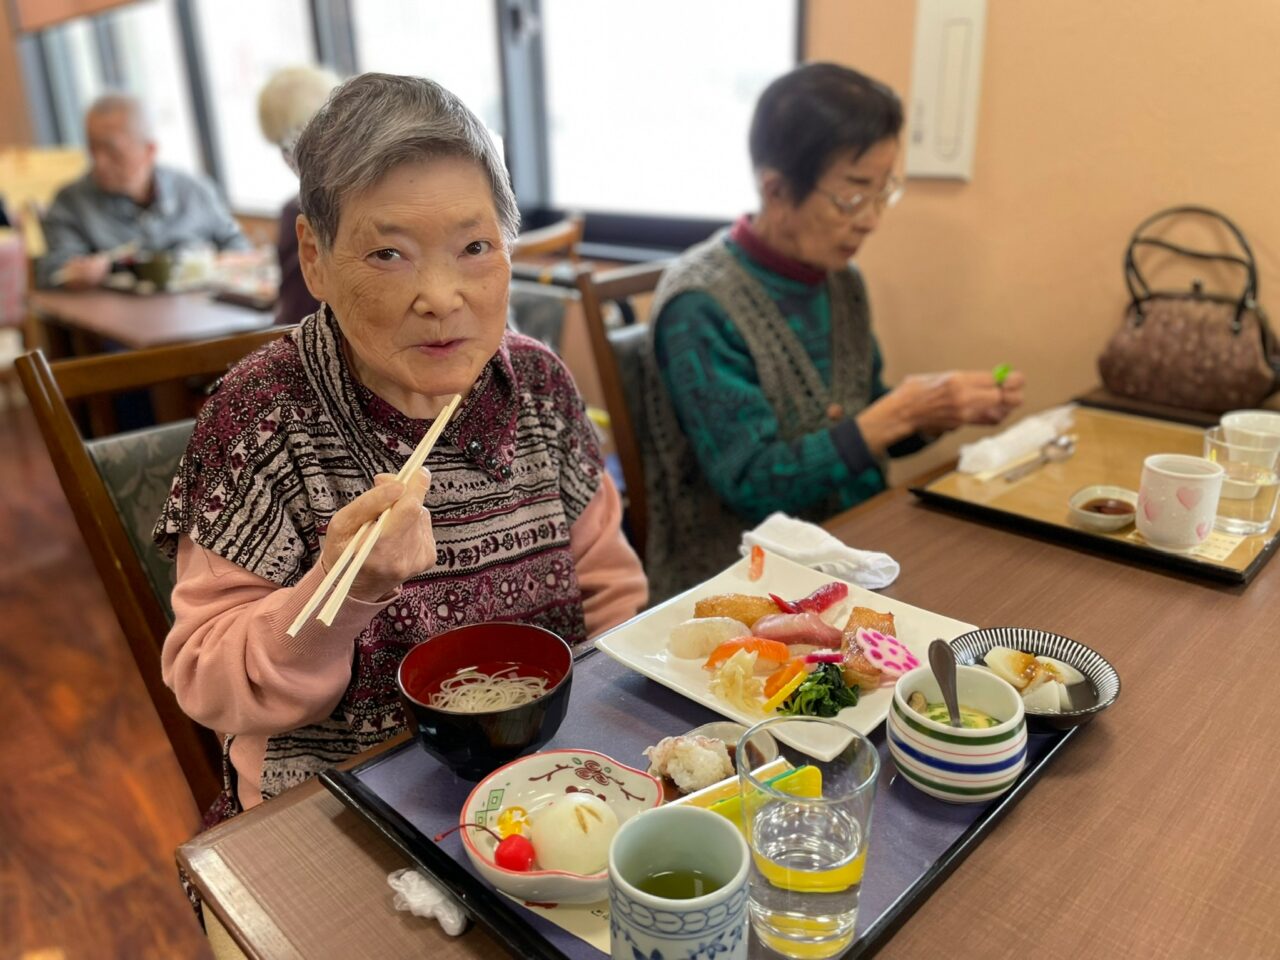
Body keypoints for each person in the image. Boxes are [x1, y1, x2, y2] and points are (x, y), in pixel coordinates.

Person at [154, 73, 646, 819]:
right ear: (314, 257)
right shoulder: (261, 416)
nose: (442, 297)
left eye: (475, 246)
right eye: (389, 254)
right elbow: (207, 681)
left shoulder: (538, 385)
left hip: (550, 780)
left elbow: (612, 592)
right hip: (339, 807)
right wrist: (341, 588)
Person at [642, 63, 1026, 600]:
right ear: (776, 190)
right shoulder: (700, 306)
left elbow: (863, 414)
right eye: (853, 195)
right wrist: (897, 414)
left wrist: (935, 413)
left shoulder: (841, 282)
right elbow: (751, 484)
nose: (871, 219)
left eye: (883, 191)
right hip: (742, 586)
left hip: (856, 551)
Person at [37, 93, 248, 289]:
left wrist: (223, 261)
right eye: (92, 148)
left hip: (200, 306)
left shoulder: (194, 191)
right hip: (116, 313)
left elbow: (238, 245)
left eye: (112, 150)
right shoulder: (70, 203)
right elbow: (55, 270)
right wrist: (76, 273)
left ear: (149, 150)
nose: (99, 162)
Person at [257, 65, 340, 324]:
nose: (286, 159)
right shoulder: (383, 190)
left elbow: (296, 321)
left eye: (286, 146)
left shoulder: (301, 210)